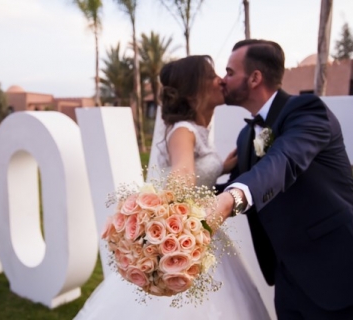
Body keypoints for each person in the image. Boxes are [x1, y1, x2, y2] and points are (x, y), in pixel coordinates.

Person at [73, 55, 271, 320]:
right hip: (191, 231)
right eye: (212, 74)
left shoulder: (195, 130)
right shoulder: (183, 130)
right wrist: (175, 219)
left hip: (201, 231)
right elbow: (182, 173)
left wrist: (219, 167)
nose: (220, 79)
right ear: (195, 88)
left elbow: (193, 170)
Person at [211, 39, 353, 319]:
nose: (223, 80)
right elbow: (241, 183)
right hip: (287, 278)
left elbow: (283, 161)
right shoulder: (246, 136)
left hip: (336, 270)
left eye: (229, 72)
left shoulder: (307, 111)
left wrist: (230, 201)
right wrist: (178, 203)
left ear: (254, 78)